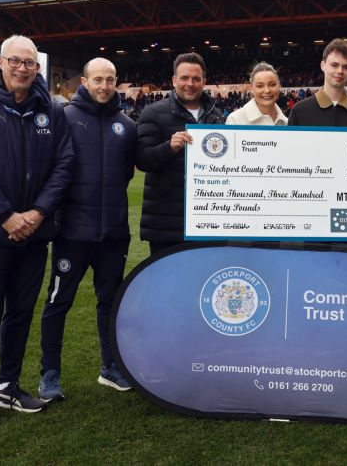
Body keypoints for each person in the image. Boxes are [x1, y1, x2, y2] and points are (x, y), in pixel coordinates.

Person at [0, 35, 73, 433]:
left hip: (34, 236)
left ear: (38, 68)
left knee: (20, 314)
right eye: (16, 61)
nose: (23, 68)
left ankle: (8, 385)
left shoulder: (51, 111)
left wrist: (37, 214)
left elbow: (63, 166)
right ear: (1, 63)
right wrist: (7, 216)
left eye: (31, 63)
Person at [37, 58, 137, 402]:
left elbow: (125, 173)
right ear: (85, 80)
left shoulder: (127, 124)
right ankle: (50, 373)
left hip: (112, 234)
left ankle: (110, 367)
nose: (104, 86)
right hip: (72, 233)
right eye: (98, 80)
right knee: (58, 301)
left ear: (116, 82)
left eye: (110, 80)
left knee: (110, 302)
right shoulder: (64, 117)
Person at [136, 52, 224, 255]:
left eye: (196, 78)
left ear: (204, 81)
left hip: (207, 223)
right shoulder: (153, 112)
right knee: (167, 285)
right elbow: (142, 160)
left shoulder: (216, 115)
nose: (190, 83)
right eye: (184, 78)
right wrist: (169, 147)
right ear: (174, 80)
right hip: (166, 226)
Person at [287, 39, 347, 127]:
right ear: (323, 65)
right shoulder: (299, 111)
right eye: (334, 65)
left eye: (346, 67)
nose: (340, 71)